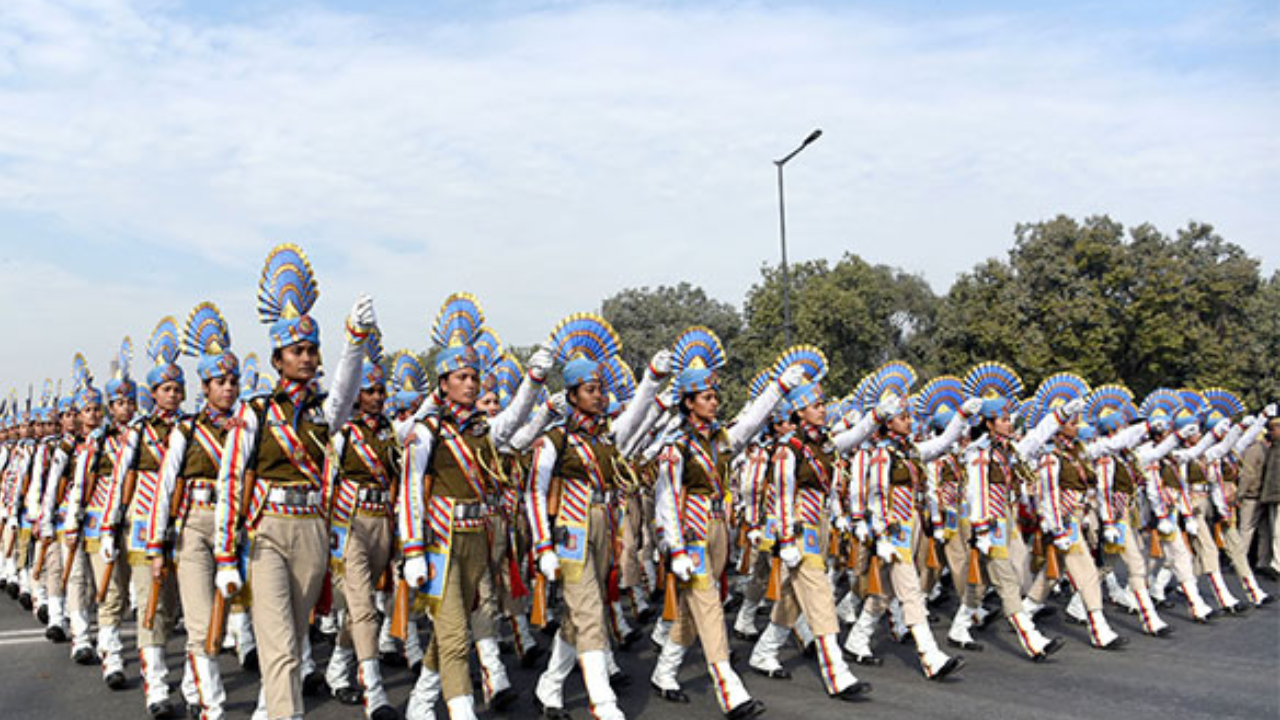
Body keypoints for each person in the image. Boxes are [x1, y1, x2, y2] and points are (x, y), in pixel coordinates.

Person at [213, 244, 378, 720]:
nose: (306, 358)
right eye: (296, 351)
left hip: (312, 531)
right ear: (278, 359)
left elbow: (346, 389)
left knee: (295, 638)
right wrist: (226, 555)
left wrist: (354, 341)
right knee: (282, 644)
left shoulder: (324, 412)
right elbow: (231, 482)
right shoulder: (255, 412)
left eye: (312, 350)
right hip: (266, 533)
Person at [399, 293, 551, 720]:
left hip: (477, 543)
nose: (470, 383)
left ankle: (420, 704)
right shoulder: (426, 429)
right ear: (444, 382)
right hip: (441, 545)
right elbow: (410, 487)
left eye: (474, 376)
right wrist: (412, 548)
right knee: (452, 637)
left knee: (451, 632)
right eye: (460, 376)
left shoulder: (484, 429)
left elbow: (518, 416)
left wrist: (535, 380)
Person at [650, 327, 800, 719]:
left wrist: (779, 387)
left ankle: (664, 672)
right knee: (710, 606)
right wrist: (676, 548)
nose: (714, 402)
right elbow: (665, 500)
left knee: (690, 609)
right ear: (687, 402)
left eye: (716, 396)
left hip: (719, 530)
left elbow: (751, 421)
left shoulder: (718, 440)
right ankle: (729, 689)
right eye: (706, 397)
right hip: (693, 534)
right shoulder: (676, 445)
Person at [145, 302, 241, 720]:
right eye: (220, 381)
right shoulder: (187, 431)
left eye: (233, 381)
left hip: (233, 528)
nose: (229, 389)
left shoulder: (245, 428)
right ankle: (212, 708)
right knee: (201, 622)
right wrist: (154, 546)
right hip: (195, 527)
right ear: (204, 385)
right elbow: (164, 489)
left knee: (220, 623)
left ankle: (190, 686)